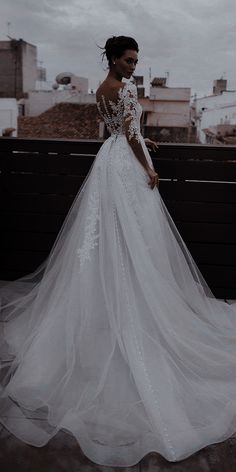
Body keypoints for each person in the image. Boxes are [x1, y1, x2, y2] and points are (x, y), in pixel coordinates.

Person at [0, 35, 236, 468]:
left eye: (136, 61)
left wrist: (146, 144)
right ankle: (133, 306)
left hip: (107, 162)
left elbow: (118, 133)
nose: (134, 67)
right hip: (126, 164)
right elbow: (130, 134)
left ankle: (112, 301)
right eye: (129, 61)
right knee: (136, 237)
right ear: (113, 59)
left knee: (110, 237)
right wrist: (147, 164)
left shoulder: (100, 89)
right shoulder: (124, 89)